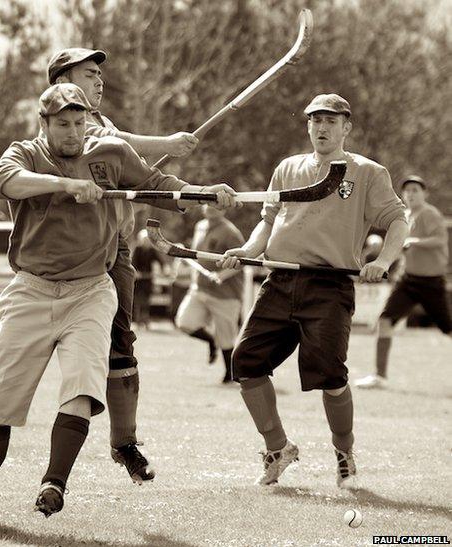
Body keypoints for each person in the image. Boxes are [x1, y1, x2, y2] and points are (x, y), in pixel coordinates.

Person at [0, 83, 237, 529]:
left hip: (92, 290)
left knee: (81, 388)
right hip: (31, 290)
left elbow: (156, 186)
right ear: (44, 124)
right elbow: (1, 182)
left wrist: (204, 193)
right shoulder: (26, 154)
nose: (74, 132)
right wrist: (66, 184)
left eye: (79, 122)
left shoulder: (111, 152)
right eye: (63, 124)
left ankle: (54, 484)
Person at [0, 47, 200, 485]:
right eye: (90, 73)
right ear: (57, 88)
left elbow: (138, 166)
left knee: (119, 344)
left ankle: (123, 444)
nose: (100, 81)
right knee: (10, 365)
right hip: (44, 271)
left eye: (100, 74)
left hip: (110, 252)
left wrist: (196, 189)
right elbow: (6, 176)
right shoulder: (44, 137)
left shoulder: (102, 130)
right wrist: (164, 144)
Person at [219, 93, 408, 487]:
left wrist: (382, 261)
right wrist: (249, 250)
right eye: (315, 120)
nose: (322, 127)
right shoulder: (288, 168)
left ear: (346, 127)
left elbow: (398, 222)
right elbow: (268, 221)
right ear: (307, 126)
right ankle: (278, 448)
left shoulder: (369, 172)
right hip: (279, 280)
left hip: (329, 285)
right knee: (246, 363)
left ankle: (344, 453)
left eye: (331, 121)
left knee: (331, 376)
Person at [356, 175, 451, 389]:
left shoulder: (430, 214)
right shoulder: (404, 216)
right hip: (408, 280)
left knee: (447, 328)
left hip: (431, 282)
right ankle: (379, 376)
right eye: (407, 190)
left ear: (425, 194)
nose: (411, 194)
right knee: (385, 320)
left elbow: (441, 240)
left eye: (416, 190)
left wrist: (414, 241)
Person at [175, 205, 245, 383]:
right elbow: (196, 255)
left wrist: (222, 274)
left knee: (227, 338)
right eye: (209, 203)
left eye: (217, 205)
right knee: (184, 322)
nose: (212, 208)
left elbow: (243, 261)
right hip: (199, 288)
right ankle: (211, 341)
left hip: (225, 293)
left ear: (224, 210)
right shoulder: (200, 226)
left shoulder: (231, 232)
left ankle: (230, 375)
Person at [131, 229, 162, 329]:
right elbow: (133, 262)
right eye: (145, 240)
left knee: (146, 301)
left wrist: (164, 268)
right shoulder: (137, 249)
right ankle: (138, 321)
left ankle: (146, 321)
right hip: (138, 280)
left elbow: (160, 260)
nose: (146, 242)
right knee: (138, 301)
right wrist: (136, 272)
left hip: (148, 279)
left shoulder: (152, 251)